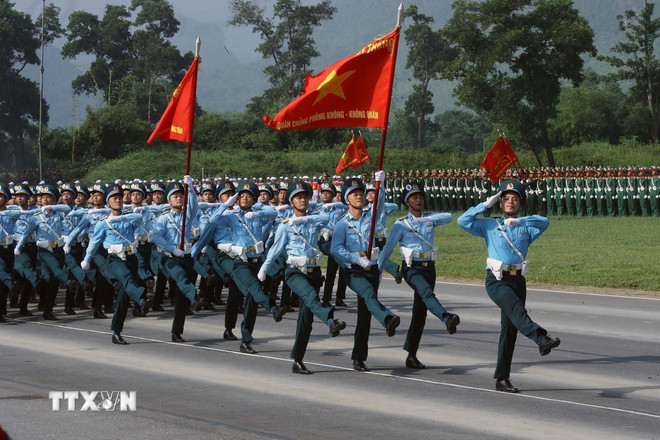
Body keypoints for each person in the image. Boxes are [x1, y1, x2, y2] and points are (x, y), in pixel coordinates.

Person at [457, 180, 561, 393]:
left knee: (509, 330)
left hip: (518, 280)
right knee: (517, 310)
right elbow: (463, 220)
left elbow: (545, 222)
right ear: (500, 202)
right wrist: (484, 205)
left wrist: (520, 221)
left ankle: (502, 379)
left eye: (515, 199)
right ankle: (541, 338)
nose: (510, 202)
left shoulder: (526, 226)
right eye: (506, 199)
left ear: (520, 203)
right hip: (497, 279)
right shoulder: (489, 225)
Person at [258, 181, 346, 374]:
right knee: (312, 298)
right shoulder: (285, 226)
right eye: (298, 197)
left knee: (306, 319)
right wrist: (264, 269)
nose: (303, 200)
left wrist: (305, 219)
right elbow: (275, 250)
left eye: (305, 196)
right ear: (291, 202)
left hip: (313, 272)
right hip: (295, 272)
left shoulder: (313, 220)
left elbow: (326, 218)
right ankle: (331, 321)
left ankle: (297, 360)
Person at [378, 181, 460, 369]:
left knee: (420, 313)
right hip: (411, 268)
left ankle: (411, 355)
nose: (419, 200)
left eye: (421, 197)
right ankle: (446, 318)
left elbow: (449, 217)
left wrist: (424, 220)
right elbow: (387, 250)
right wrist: (379, 272)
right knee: (426, 293)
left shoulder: (430, 218)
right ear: (407, 202)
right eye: (414, 198)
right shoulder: (400, 224)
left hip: (429, 267)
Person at [330, 171, 401, 372]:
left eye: (361, 193)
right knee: (369, 294)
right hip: (354, 271)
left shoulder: (371, 217)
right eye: (354, 194)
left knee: (365, 314)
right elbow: (335, 249)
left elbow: (379, 202)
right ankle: (387, 318)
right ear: (346, 199)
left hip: (372, 268)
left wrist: (381, 183)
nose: (359, 196)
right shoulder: (342, 224)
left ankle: (359, 357)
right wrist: (356, 259)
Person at [81, 183, 150, 345]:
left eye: (119, 198)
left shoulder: (129, 217)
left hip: (130, 257)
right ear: (108, 203)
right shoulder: (103, 223)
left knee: (123, 297)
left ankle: (116, 331)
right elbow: (94, 243)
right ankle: (141, 299)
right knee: (127, 278)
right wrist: (87, 259)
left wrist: (121, 218)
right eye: (114, 198)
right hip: (114, 259)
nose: (118, 200)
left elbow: (140, 219)